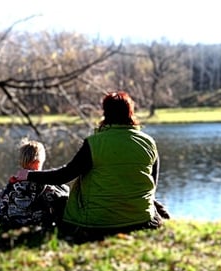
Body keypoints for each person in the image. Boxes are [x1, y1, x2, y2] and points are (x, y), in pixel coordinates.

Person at [16, 91, 170, 243]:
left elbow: (64, 175)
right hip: (141, 220)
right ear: (131, 112)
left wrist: (29, 175)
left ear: (106, 113)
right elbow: (152, 185)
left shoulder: (94, 143)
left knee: (59, 199)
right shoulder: (149, 143)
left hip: (96, 223)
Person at [0, 139, 70, 234]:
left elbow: (2, 203)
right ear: (38, 163)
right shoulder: (47, 185)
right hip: (37, 221)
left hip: (13, 222)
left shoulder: (13, 183)